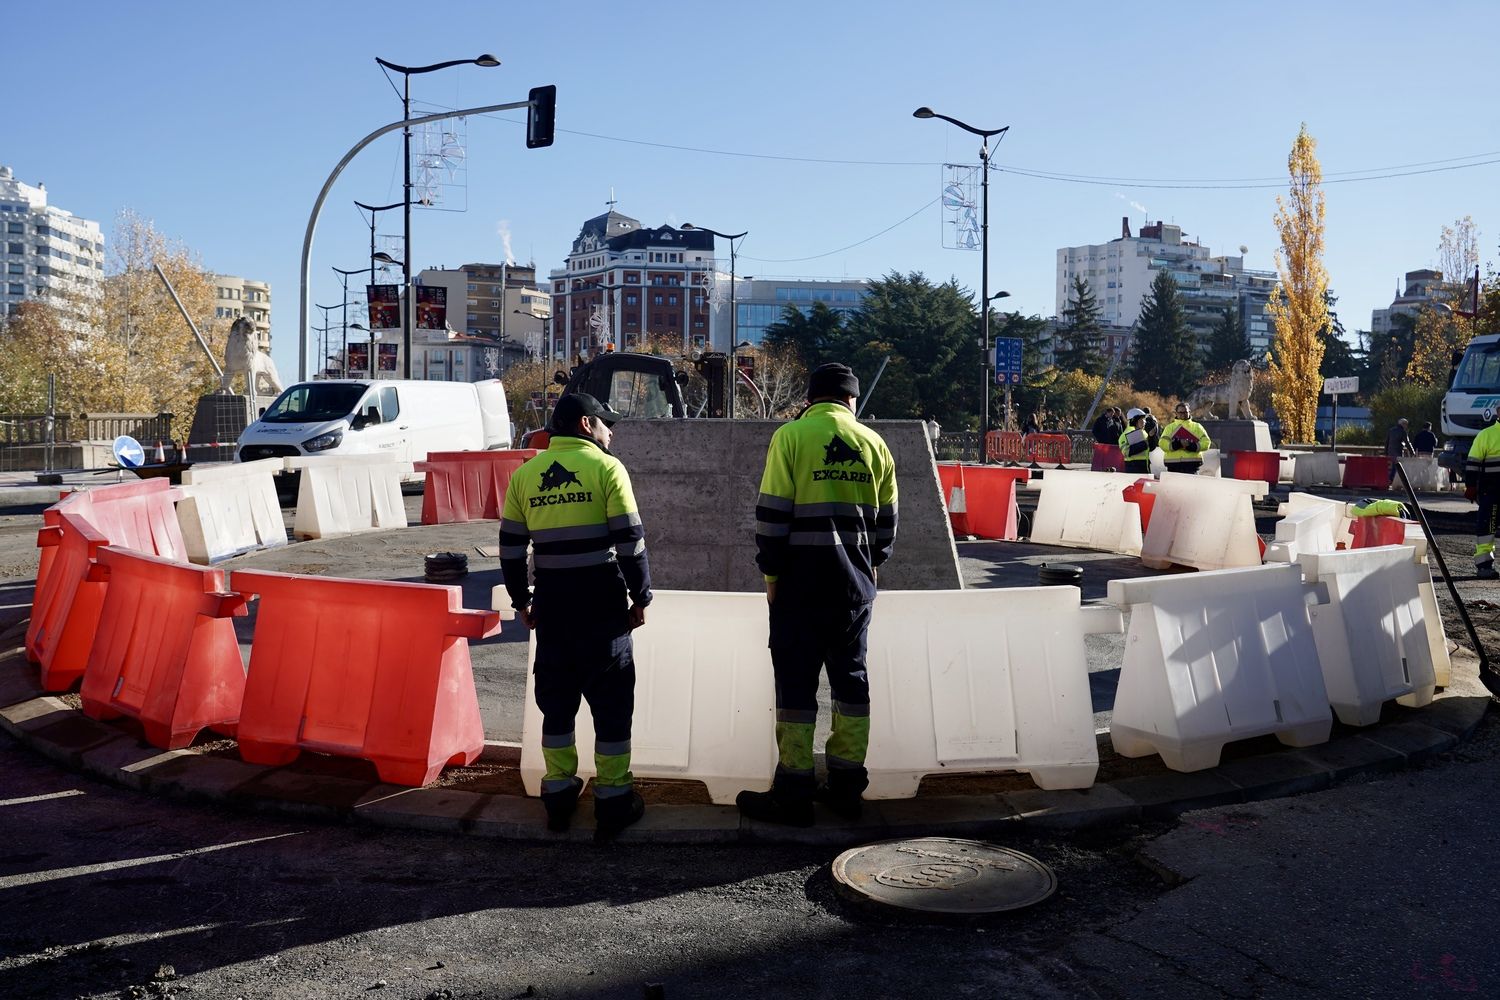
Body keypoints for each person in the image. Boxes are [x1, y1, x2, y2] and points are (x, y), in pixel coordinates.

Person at [739, 362, 898, 826]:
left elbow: (771, 516)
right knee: (851, 683)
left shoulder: (791, 437)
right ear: (852, 400)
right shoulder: (874, 444)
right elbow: (886, 527)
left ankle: (793, 792)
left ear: (811, 398)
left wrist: (771, 577)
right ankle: (847, 788)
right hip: (854, 588)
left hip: (797, 586)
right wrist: (872, 568)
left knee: (795, 687)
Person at [499, 392, 652, 838]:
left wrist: (522, 601)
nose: (612, 432)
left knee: (558, 707)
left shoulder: (525, 475)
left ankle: (560, 795)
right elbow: (631, 541)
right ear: (587, 424)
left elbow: (511, 549)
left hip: (553, 611)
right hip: (602, 609)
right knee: (612, 706)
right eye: (607, 423)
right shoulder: (607, 468)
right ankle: (613, 800)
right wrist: (640, 596)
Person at [1465, 409, 1500, 580]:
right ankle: (1485, 566)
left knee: (1488, 527)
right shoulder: (1486, 435)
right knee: (1487, 528)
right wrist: (1471, 486)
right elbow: (1473, 463)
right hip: (1492, 492)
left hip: (1491, 491)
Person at [1160, 401, 1211, 474]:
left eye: (1185, 412)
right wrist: (1177, 444)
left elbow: (1206, 442)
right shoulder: (1169, 428)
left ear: (1189, 412)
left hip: (1192, 465)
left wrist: (1192, 445)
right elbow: (1162, 443)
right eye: (1180, 412)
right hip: (1173, 465)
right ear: (1176, 413)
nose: (1183, 414)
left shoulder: (1197, 427)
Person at [1120, 408, 1152, 474]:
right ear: (1134, 420)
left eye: (1144, 419)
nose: (1144, 421)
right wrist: (1144, 444)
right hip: (1133, 469)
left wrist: (1152, 438)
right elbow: (1126, 452)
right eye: (1142, 419)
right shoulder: (1126, 434)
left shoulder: (1144, 432)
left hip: (1144, 467)